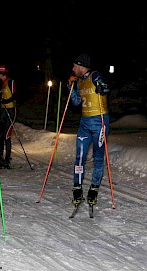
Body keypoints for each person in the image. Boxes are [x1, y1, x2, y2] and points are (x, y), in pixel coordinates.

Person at [67, 54, 110, 207]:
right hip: (85, 123)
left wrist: (101, 87)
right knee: (80, 156)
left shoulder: (95, 75)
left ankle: (94, 189)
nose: (72, 69)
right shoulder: (78, 81)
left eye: (74, 66)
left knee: (98, 157)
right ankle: (77, 189)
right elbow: (77, 101)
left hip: (100, 121)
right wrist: (71, 88)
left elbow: (105, 87)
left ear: (81, 66)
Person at [0, 64, 18, 169]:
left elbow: (15, 95)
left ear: (2, 73)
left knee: (6, 135)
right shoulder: (3, 83)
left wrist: (6, 101)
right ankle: (0, 157)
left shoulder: (10, 82)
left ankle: (7, 159)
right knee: (0, 135)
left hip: (10, 110)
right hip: (3, 111)